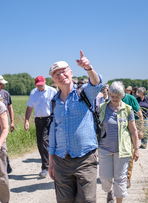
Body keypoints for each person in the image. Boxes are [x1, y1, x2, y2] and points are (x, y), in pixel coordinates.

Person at [48, 50, 102, 202]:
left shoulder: (84, 93)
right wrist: (51, 161)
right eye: (56, 74)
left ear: (71, 73)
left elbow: (96, 83)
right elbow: (53, 131)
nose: (61, 75)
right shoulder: (54, 101)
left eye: (64, 71)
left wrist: (89, 68)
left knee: (87, 200)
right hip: (61, 160)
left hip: (85, 158)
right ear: (53, 81)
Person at [98, 81, 140, 203]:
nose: (115, 98)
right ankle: (109, 191)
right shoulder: (102, 108)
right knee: (105, 178)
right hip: (105, 149)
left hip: (122, 150)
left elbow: (133, 131)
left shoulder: (127, 109)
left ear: (122, 96)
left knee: (120, 179)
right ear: (109, 94)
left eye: (117, 96)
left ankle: (119, 201)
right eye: (112, 96)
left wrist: (136, 149)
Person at [24, 76, 57, 178]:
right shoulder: (33, 93)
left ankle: (46, 167)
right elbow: (29, 108)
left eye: (41, 85)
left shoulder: (52, 91)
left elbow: (58, 104)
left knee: (44, 140)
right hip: (38, 120)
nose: (39, 87)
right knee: (39, 143)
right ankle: (48, 165)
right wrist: (26, 121)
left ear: (45, 82)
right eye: (38, 85)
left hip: (49, 119)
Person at [120, 83, 144, 188]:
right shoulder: (112, 99)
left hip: (130, 130)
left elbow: (140, 114)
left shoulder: (130, 99)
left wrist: (141, 130)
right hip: (117, 132)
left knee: (129, 154)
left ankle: (127, 178)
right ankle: (118, 176)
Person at [0, 75, 15, 174]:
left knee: (1, 145)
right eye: (1, 84)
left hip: (3, 125)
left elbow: (10, 108)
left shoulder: (5, 93)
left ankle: (2, 169)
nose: (3, 86)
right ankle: (6, 167)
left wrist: (12, 122)